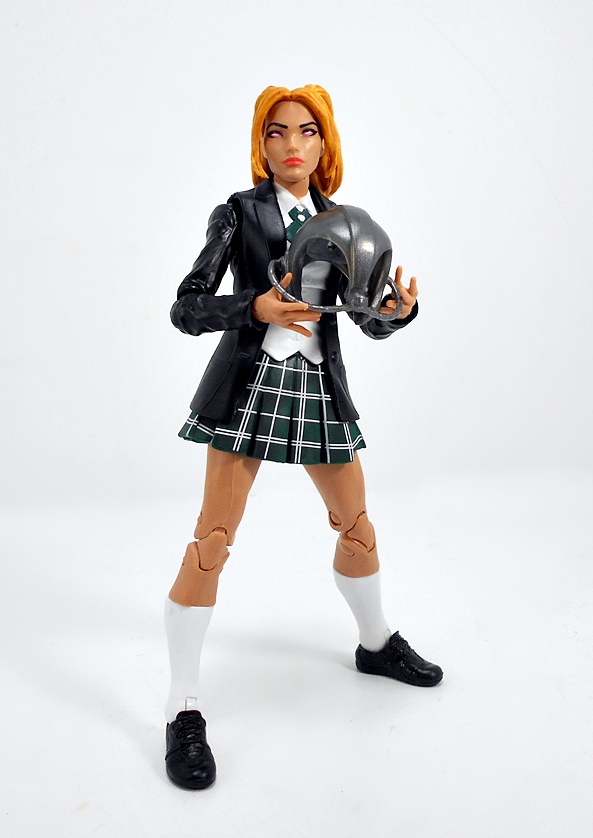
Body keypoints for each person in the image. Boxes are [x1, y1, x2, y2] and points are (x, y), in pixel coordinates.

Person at [164, 84, 442, 791]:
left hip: (317, 387)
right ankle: (182, 706)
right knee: (212, 540)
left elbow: (363, 319)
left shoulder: (342, 220)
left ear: (324, 144)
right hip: (249, 385)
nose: (292, 144)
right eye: (277, 131)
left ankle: (375, 643)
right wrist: (252, 307)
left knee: (357, 528)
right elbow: (186, 307)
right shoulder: (240, 212)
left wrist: (396, 313)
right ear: (262, 144)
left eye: (307, 131)